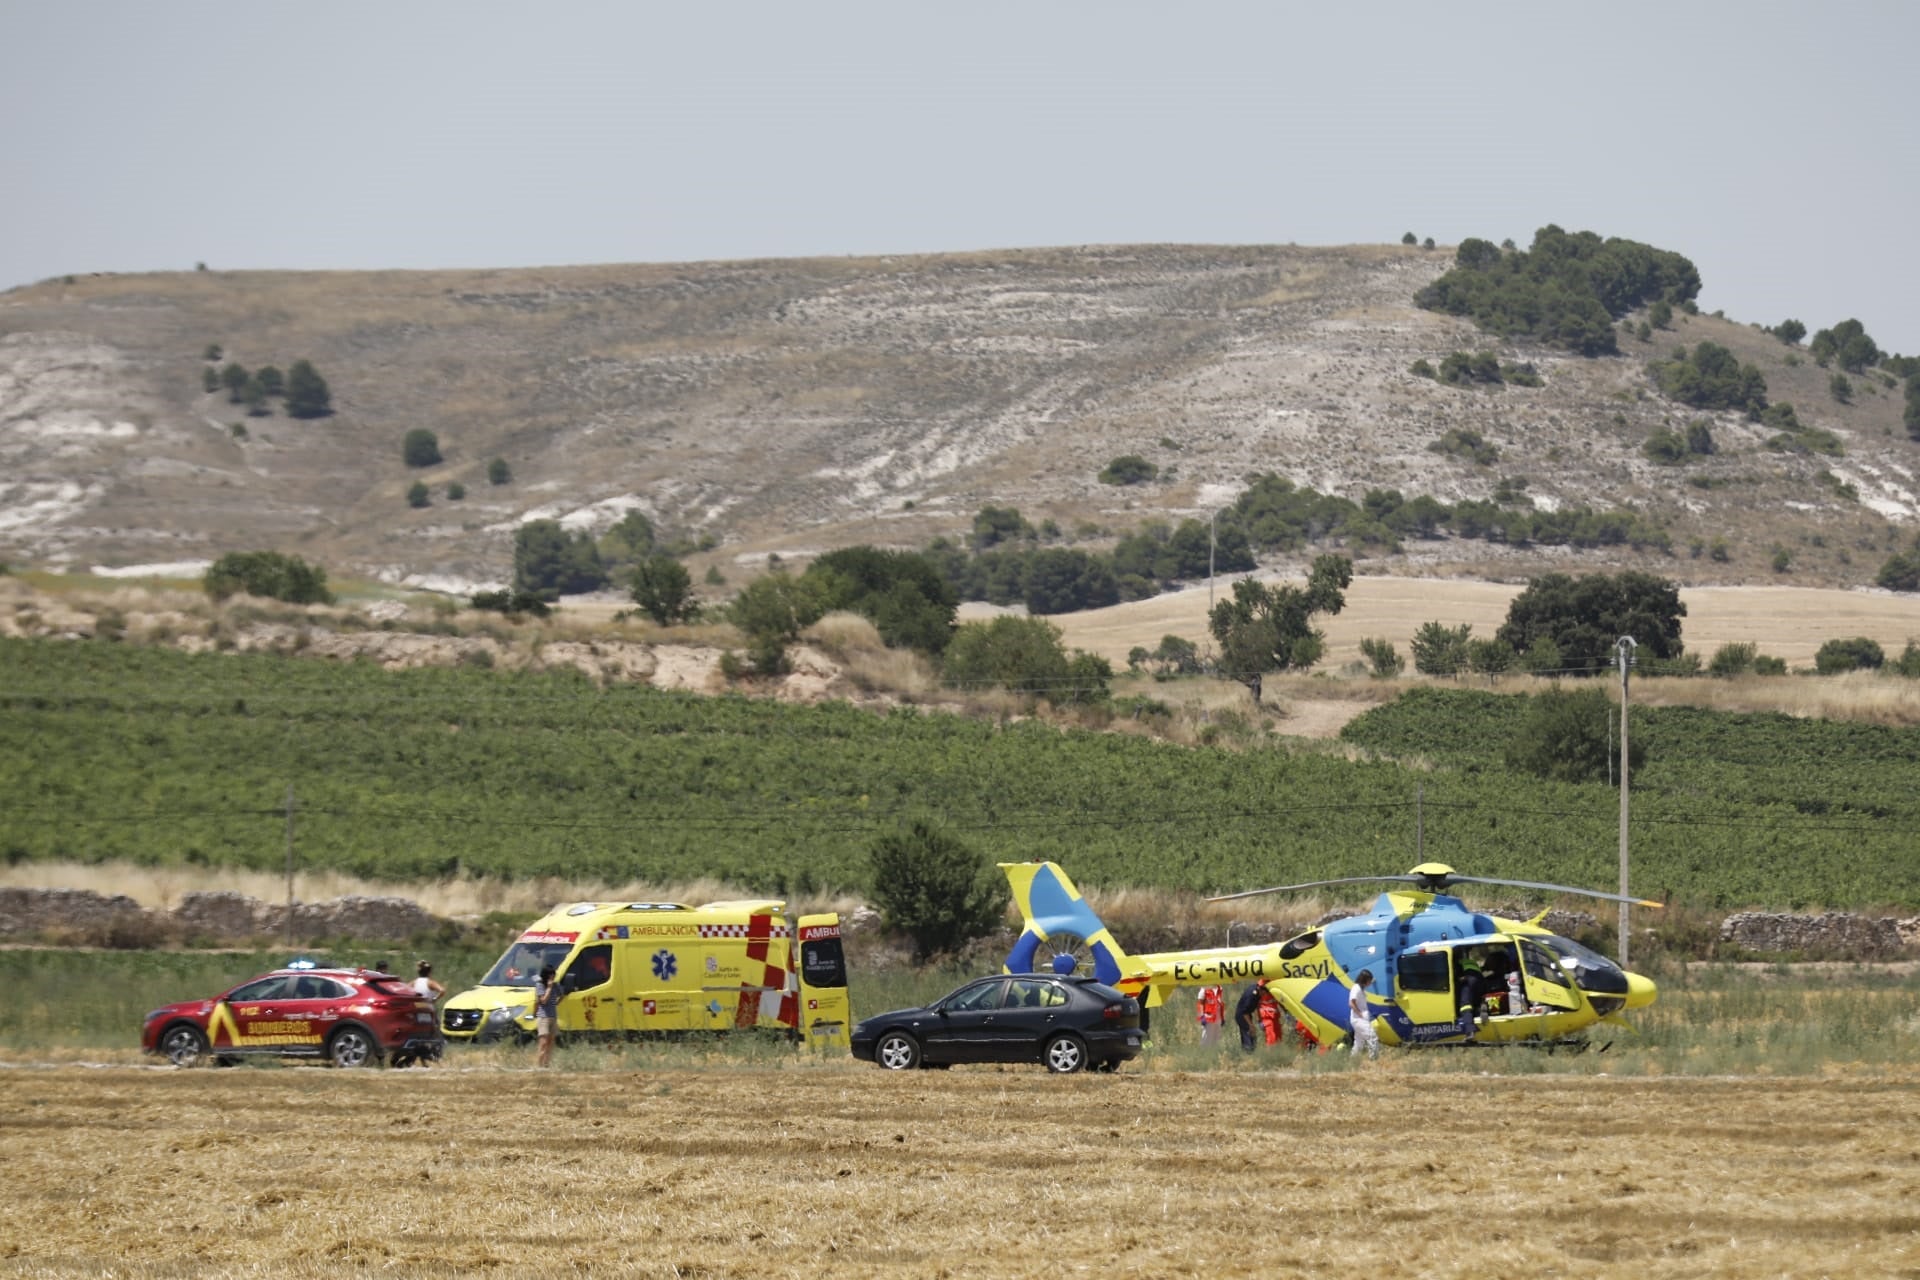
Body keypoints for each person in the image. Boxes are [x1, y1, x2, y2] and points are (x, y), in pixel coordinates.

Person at [534, 964, 561, 1068]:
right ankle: (539, 1065)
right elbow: (543, 1000)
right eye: (551, 975)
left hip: (553, 1016)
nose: (553, 977)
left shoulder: (556, 985)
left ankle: (546, 1064)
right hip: (543, 1016)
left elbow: (561, 996)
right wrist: (549, 987)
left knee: (551, 1041)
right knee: (543, 1042)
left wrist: (556, 1003)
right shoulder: (540, 985)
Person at [1349, 968, 1379, 1060]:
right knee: (1372, 1037)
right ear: (1364, 979)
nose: (1370, 982)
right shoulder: (1356, 988)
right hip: (1359, 1019)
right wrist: (1359, 1013)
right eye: (1369, 980)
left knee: (1359, 1042)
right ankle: (1373, 1059)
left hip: (1360, 1019)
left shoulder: (1360, 988)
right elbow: (1351, 1003)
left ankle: (1352, 1060)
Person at [1234, 982, 1263, 1052]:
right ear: (1260, 989)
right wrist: (1251, 1025)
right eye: (1263, 992)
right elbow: (1245, 1012)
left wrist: (1259, 1020)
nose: (1264, 994)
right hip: (1242, 1015)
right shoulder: (1251, 996)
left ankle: (1250, 1051)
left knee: (1252, 1034)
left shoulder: (1257, 990)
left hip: (1247, 1014)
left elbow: (1256, 1007)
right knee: (1249, 1033)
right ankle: (1248, 1052)